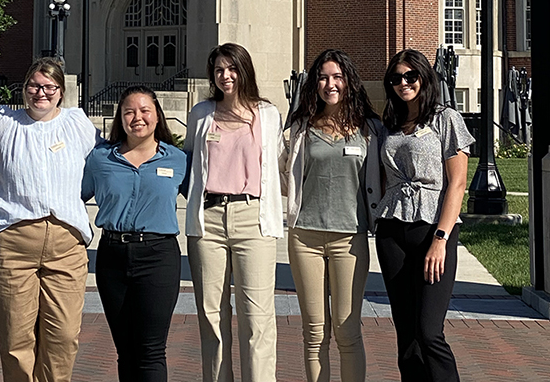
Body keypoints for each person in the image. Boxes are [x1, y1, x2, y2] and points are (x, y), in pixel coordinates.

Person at [0, 58, 100, 382]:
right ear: (25, 88)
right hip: (11, 243)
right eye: (34, 85)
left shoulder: (77, 123)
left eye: (49, 87)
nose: (40, 93)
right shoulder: (4, 122)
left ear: (61, 91)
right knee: (17, 339)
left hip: (66, 245)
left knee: (64, 336)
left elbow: (100, 164)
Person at [184, 43, 285, 382]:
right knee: (211, 315)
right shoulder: (201, 113)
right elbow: (189, 165)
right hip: (208, 219)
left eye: (232, 69)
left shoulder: (267, 114)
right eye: (218, 70)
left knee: (257, 317)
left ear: (245, 70)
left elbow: (281, 165)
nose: (226, 76)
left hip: (252, 218)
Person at [282, 49, 382, 382]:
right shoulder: (301, 127)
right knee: (314, 332)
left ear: (348, 81)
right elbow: (283, 174)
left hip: (349, 239)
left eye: (337, 77)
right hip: (304, 237)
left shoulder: (369, 129)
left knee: (347, 329)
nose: (330, 84)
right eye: (323, 77)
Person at [375, 49, 474, 382]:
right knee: (407, 333)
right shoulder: (390, 123)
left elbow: (457, 184)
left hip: (433, 227)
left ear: (423, 77)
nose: (403, 83)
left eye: (410, 76)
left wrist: (441, 239)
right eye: (396, 79)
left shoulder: (446, 119)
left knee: (429, 331)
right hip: (391, 230)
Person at [82, 86, 188, 382]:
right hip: (112, 257)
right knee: (125, 350)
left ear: (157, 117)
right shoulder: (100, 159)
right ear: (120, 117)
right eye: (129, 111)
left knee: (151, 351)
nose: (137, 117)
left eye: (144, 111)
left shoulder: (177, 160)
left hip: (158, 257)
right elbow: (73, 194)